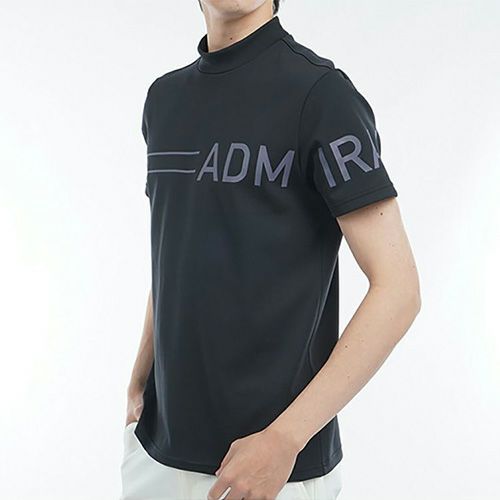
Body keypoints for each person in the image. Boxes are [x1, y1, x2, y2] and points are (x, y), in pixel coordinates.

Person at [119, 1, 421, 499]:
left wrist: (285, 439)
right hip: (157, 455)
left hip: (272, 470)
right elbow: (175, 251)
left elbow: (399, 289)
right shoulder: (164, 99)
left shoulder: (321, 96)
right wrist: (139, 375)